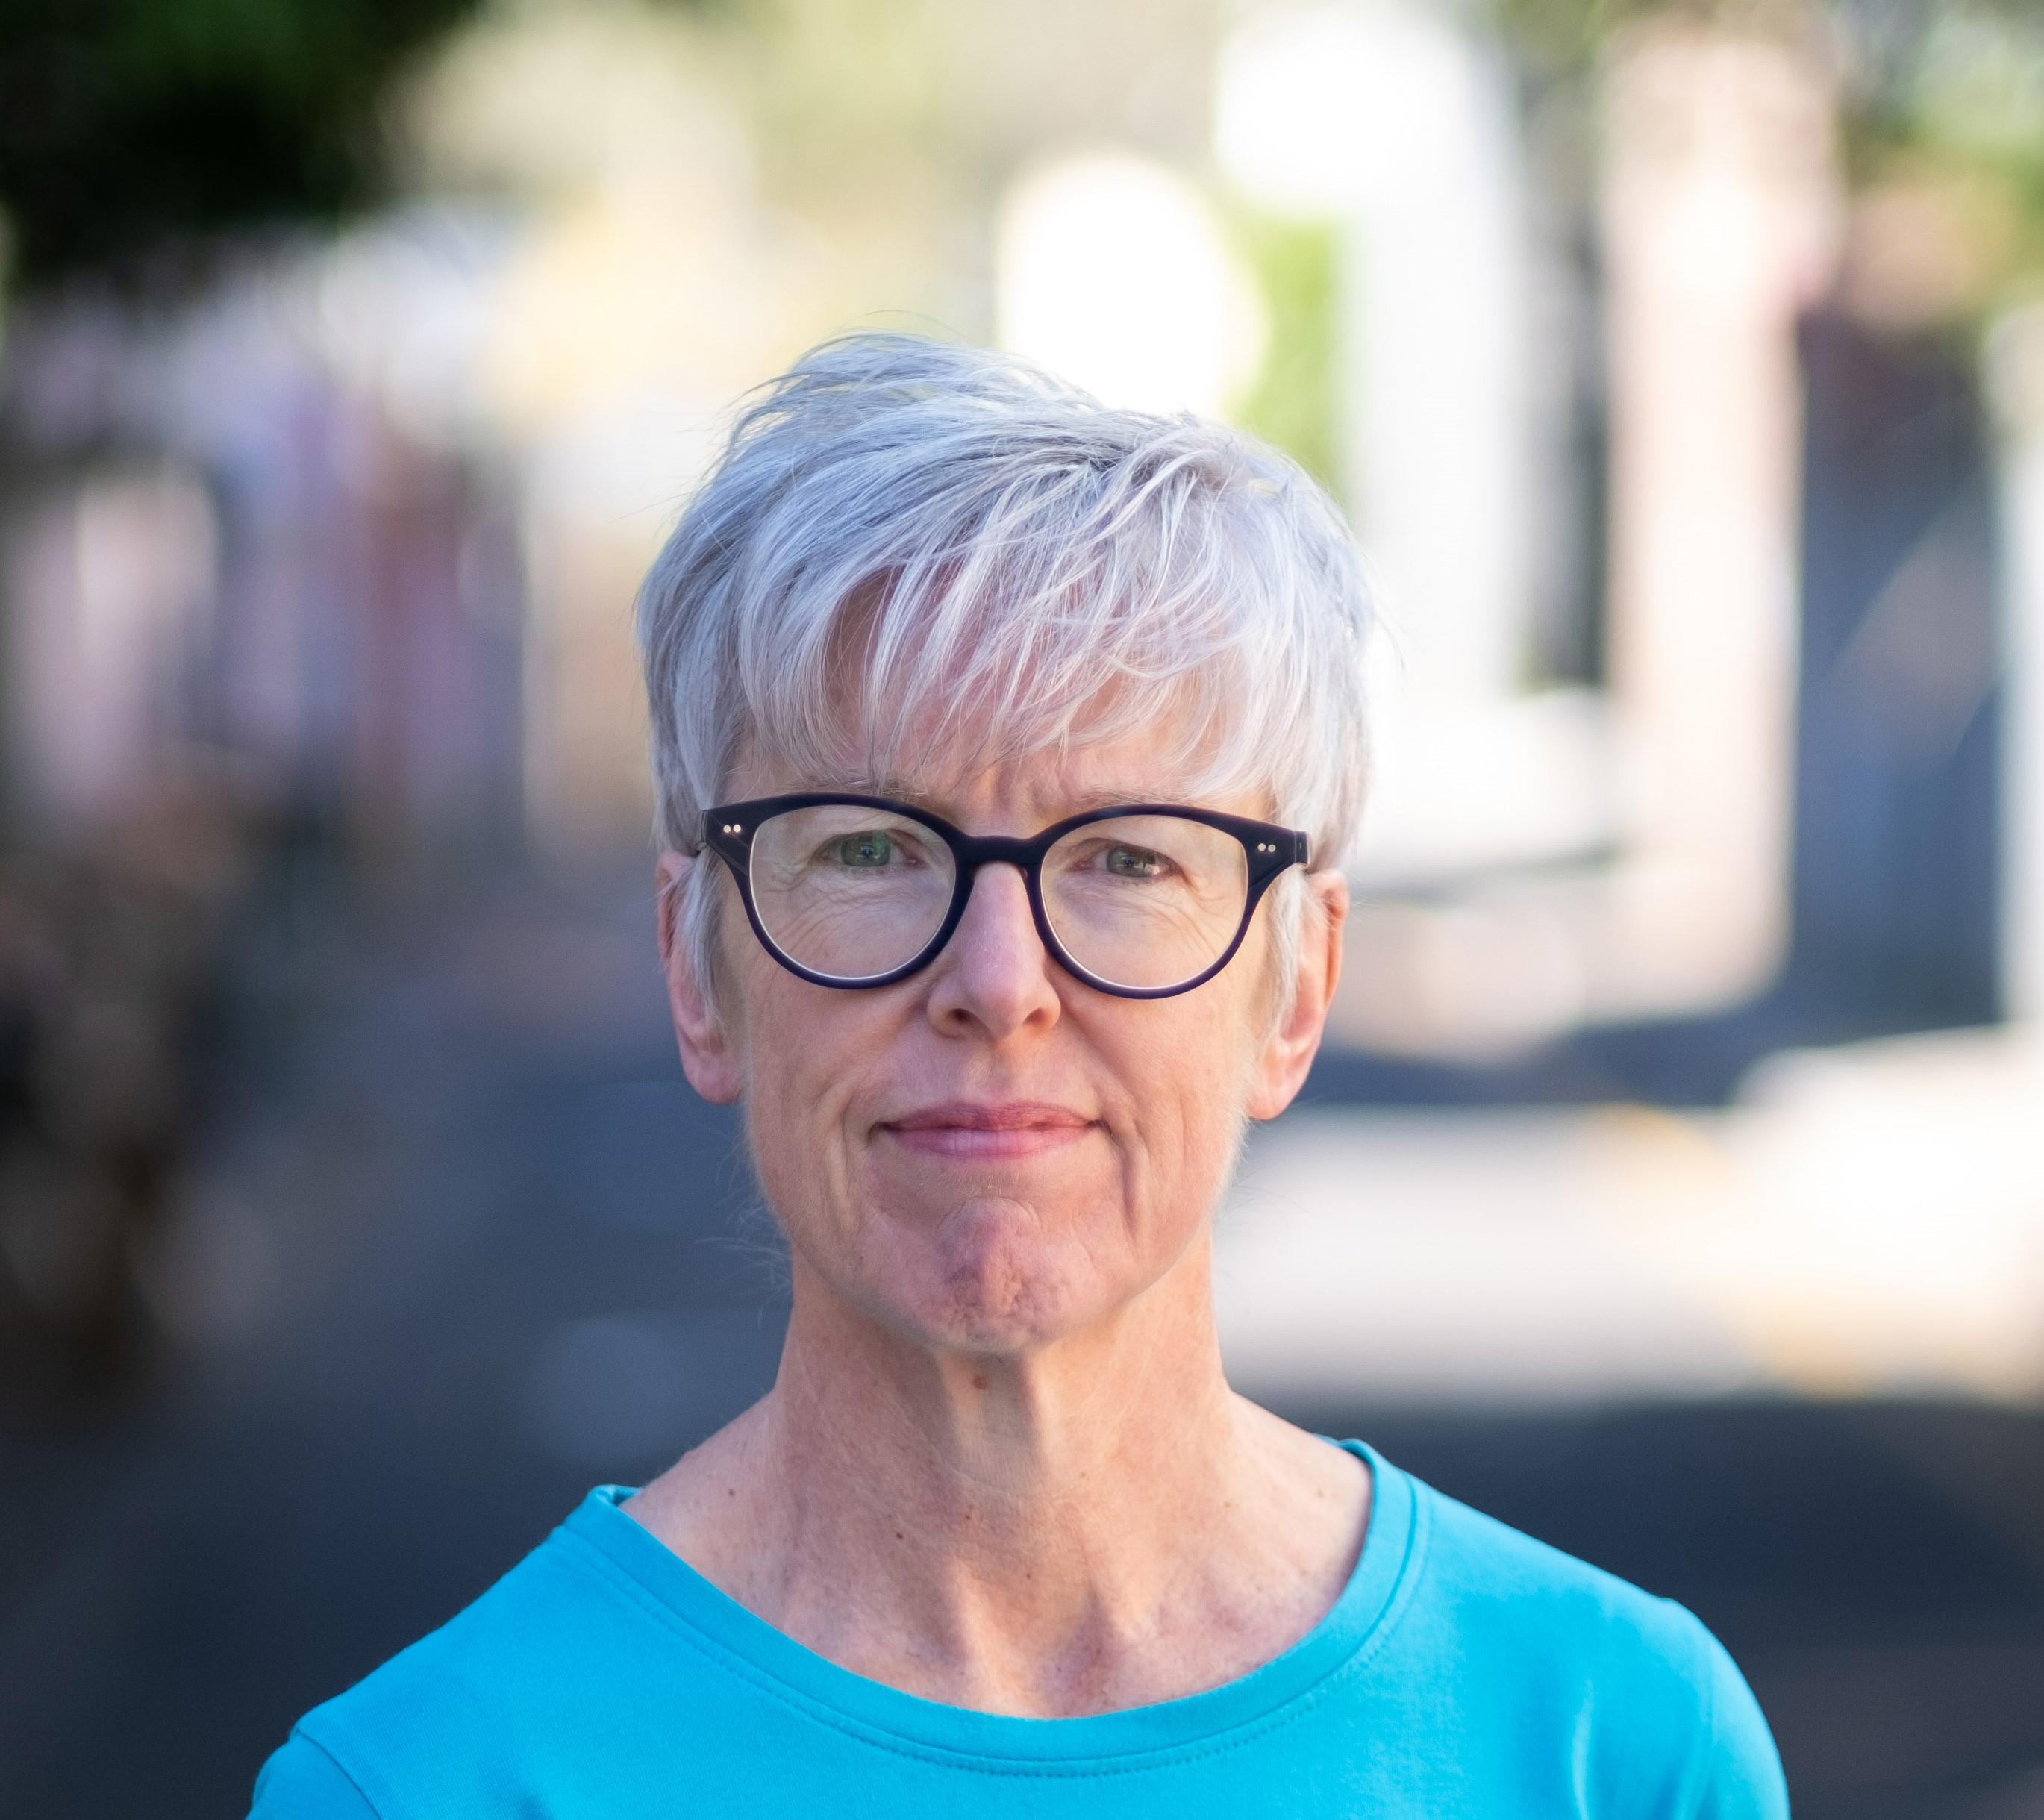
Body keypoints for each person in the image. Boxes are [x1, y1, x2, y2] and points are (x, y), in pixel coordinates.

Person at [249, 334, 1787, 1817]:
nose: (996, 981)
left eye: (1123, 856)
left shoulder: (1611, 1746)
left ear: (1297, 979)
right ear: (693, 967)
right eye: (867, 847)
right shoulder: (427, 1783)